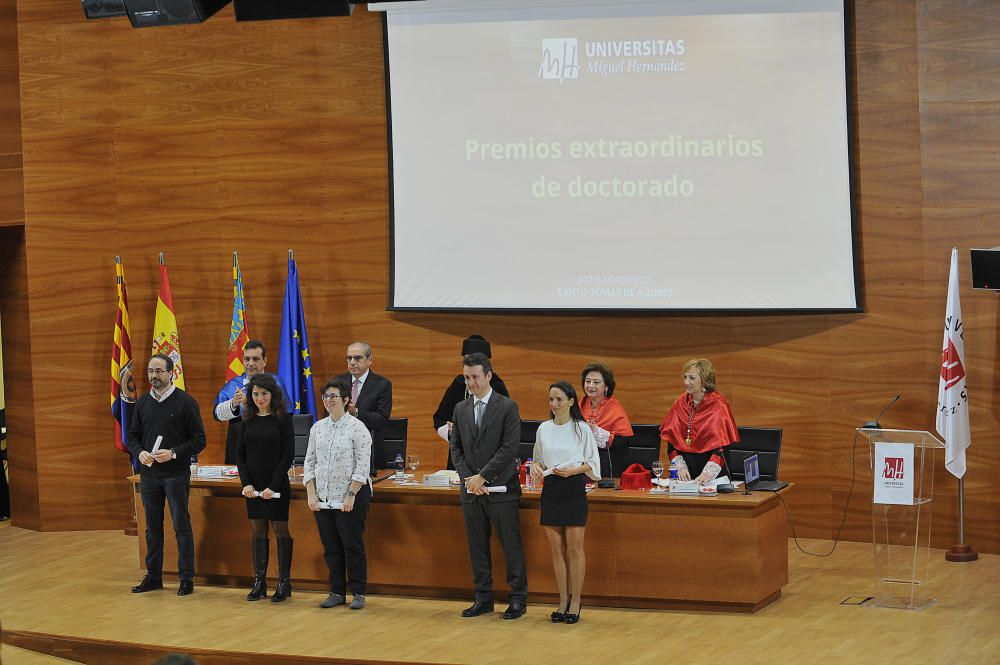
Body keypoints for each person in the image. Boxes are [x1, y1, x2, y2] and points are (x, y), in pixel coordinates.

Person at [449, 352, 527, 620]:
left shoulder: (507, 406)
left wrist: (483, 476)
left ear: (488, 376)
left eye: (475, 377)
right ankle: (483, 598)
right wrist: (469, 478)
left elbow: (509, 448)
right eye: (467, 377)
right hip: (471, 490)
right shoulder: (460, 408)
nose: (470, 383)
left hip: (501, 489)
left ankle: (518, 599)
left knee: (510, 546)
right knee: (477, 546)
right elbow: (455, 447)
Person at [127, 354, 206, 596]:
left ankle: (186, 578)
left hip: (175, 474)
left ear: (171, 373)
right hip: (149, 476)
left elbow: (199, 440)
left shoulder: (185, 402)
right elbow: (132, 436)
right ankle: (153, 576)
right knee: (152, 528)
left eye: (159, 371)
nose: (154, 376)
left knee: (181, 525)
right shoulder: (142, 403)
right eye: (151, 371)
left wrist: (173, 453)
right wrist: (139, 453)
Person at [529, 381, 601, 625]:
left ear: (571, 401)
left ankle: (576, 601)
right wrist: (537, 468)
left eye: (559, 399)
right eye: (551, 399)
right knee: (556, 550)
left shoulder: (582, 429)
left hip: (573, 487)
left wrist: (572, 471)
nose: (554, 404)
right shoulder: (543, 428)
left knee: (574, 548)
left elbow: (592, 464)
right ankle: (562, 600)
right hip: (551, 489)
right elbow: (537, 459)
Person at [304, 377, 374, 610]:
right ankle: (336, 590)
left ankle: (358, 592)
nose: (329, 400)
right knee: (331, 546)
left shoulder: (358, 428)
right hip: (324, 497)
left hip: (351, 496)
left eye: (334, 396)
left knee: (352, 545)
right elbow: (309, 462)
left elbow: (362, 465)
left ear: (346, 400)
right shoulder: (318, 428)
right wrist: (311, 494)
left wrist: (351, 494)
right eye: (326, 396)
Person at [236, 373, 295, 603]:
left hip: (277, 485)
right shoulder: (247, 419)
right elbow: (240, 455)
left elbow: (287, 455)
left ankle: (284, 582)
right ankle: (259, 582)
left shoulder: (283, 420)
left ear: (273, 395)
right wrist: (247, 483)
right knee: (258, 530)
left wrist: (272, 485)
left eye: (264, 394)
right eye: (256, 394)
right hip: (253, 485)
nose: (260, 398)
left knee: (280, 529)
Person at [433, 335, 511, 469]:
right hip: (459, 457)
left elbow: (507, 425)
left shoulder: (497, 386)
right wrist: (452, 433)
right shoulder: (458, 384)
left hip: (490, 459)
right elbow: (439, 418)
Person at [659, 358, 738, 483]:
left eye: (692, 378)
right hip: (685, 477)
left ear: (704, 380)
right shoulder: (680, 403)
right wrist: (679, 467)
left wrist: (707, 474)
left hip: (713, 477)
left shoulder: (718, 405)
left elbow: (721, 448)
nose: (686, 382)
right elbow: (672, 443)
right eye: (685, 377)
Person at [214, 340, 291, 465]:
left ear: (264, 361)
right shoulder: (233, 385)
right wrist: (233, 404)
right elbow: (216, 414)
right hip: (240, 446)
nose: (250, 363)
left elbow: (287, 415)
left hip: (270, 444)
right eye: (247, 359)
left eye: (255, 359)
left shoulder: (276, 383)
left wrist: (251, 405)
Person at [335, 341, 392, 474]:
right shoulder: (338, 382)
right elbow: (327, 416)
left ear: (369, 360)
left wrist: (356, 412)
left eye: (358, 358)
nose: (352, 362)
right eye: (349, 358)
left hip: (369, 454)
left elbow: (381, 420)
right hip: (340, 454)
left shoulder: (382, 384)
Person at [579, 361, 633, 478]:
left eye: (596, 382)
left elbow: (621, 441)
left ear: (606, 387)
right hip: (580, 463)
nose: (590, 385)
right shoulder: (580, 404)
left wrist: (594, 431)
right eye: (587, 381)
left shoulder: (614, 407)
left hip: (607, 466)